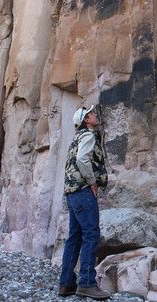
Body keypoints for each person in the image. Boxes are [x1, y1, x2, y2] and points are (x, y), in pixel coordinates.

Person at [58, 105, 110, 300]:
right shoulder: (88, 136)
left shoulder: (75, 139)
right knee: (91, 234)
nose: (96, 114)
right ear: (86, 120)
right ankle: (87, 283)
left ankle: (66, 284)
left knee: (74, 237)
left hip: (71, 194)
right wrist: (93, 183)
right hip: (83, 192)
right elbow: (82, 160)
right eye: (91, 114)